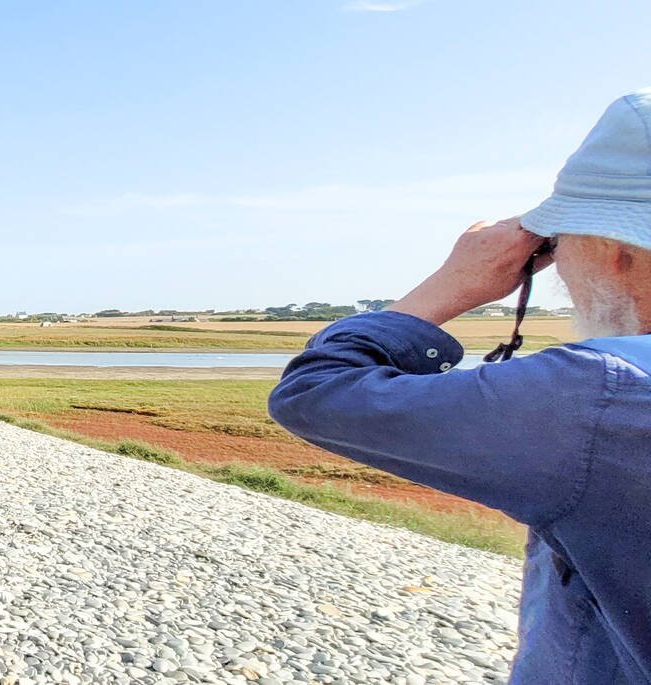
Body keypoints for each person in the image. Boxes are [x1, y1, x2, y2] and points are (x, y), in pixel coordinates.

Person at [268, 89, 651, 684]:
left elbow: (315, 393)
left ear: (615, 251)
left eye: (559, 242)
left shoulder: (602, 396)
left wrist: (453, 283)